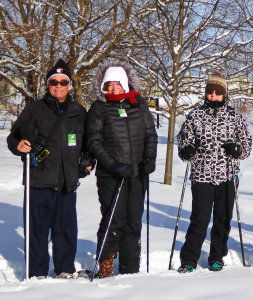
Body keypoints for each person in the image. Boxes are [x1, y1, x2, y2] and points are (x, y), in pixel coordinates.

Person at [7, 59, 93, 279]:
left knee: (65, 229)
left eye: (62, 82)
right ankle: (37, 273)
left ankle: (64, 269)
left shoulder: (78, 111)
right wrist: (18, 145)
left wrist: (88, 162)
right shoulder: (35, 109)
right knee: (37, 229)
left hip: (67, 181)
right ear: (48, 84)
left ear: (69, 85)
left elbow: (89, 144)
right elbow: (14, 136)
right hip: (39, 179)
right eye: (53, 81)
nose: (58, 85)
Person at [86, 61, 157, 278]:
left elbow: (150, 135)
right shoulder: (99, 108)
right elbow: (94, 141)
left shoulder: (138, 104)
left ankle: (130, 268)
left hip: (137, 174)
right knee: (112, 220)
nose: (114, 88)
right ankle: (106, 264)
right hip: (111, 175)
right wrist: (114, 165)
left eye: (118, 84)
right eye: (110, 84)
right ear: (104, 86)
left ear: (126, 84)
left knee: (133, 220)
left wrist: (149, 160)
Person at [176, 72, 252, 273]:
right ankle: (189, 260)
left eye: (218, 92)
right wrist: (187, 150)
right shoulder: (195, 115)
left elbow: (246, 144)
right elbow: (183, 141)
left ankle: (217, 257)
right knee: (199, 219)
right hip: (202, 175)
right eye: (210, 92)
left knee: (222, 219)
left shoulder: (234, 116)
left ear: (224, 94)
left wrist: (237, 150)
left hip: (227, 175)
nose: (213, 96)